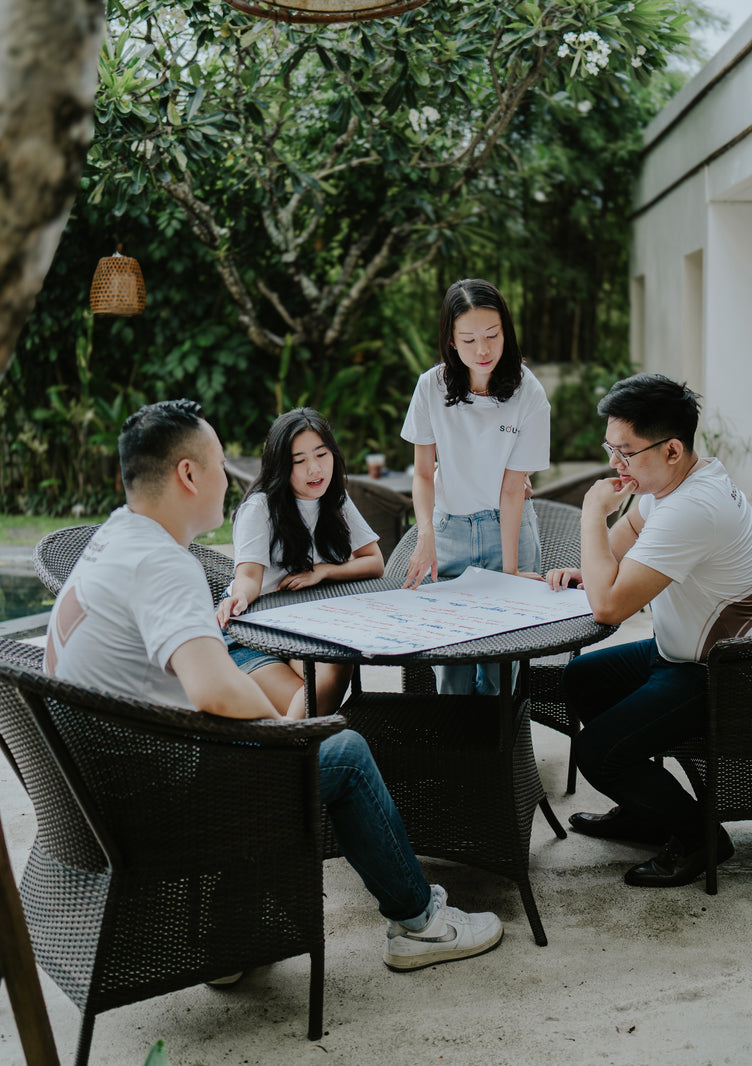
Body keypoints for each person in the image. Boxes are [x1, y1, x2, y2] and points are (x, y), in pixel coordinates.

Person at [44, 399, 503, 971]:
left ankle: (228, 938)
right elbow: (214, 691)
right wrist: (291, 735)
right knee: (343, 751)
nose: (231, 480)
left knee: (297, 740)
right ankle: (421, 926)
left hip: (97, 793)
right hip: (150, 802)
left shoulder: (114, 540)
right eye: (219, 464)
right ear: (188, 474)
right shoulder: (160, 564)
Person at [546, 374, 752, 887]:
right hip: (682, 650)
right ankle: (645, 809)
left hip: (728, 673)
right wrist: (591, 569)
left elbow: (608, 608)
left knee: (598, 753)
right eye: (611, 448)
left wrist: (591, 514)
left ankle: (701, 838)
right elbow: (630, 532)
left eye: (626, 451)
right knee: (582, 678)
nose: (616, 463)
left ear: (672, 449)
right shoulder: (680, 480)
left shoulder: (693, 508)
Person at [401, 278, 550, 695]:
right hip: (449, 532)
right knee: (452, 672)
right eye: (468, 340)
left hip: (509, 529)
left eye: (492, 335)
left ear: (506, 332)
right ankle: (459, 740)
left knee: (501, 674)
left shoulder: (528, 392)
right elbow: (423, 473)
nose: (482, 350)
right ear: (451, 340)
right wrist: (426, 536)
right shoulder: (430, 387)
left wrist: (509, 573)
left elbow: (512, 489)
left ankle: (501, 740)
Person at [215, 408, 384, 721]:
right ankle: (293, 745)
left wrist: (325, 571)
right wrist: (238, 597)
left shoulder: (336, 499)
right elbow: (248, 577)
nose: (314, 469)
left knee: (337, 663)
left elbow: (374, 562)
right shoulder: (260, 508)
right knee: (309, 704)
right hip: (251, 634)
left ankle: (297, 743)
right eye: (299, 461)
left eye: (321, 454)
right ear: (281, 465)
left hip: (300, 629)